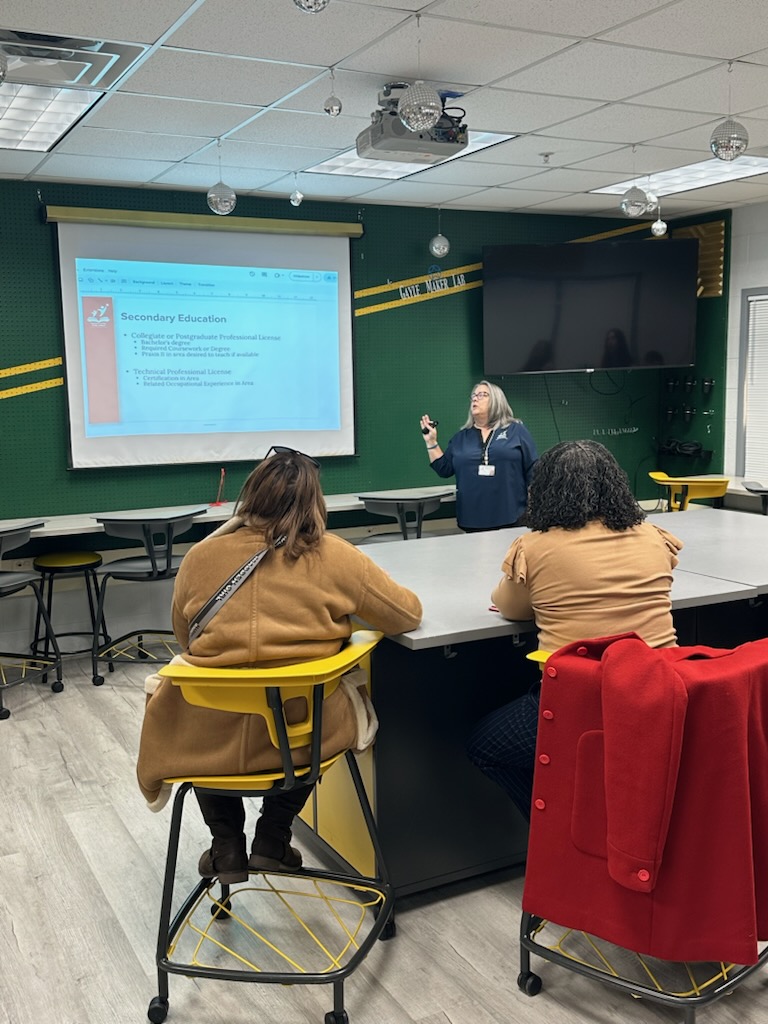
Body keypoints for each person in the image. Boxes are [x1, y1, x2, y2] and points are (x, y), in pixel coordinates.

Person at [137, 446, 422, 882]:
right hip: (303, 734)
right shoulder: (336, 556)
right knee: (315, 714)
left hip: (204, 736)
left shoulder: (200, 557)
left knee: (210, 717)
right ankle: (272, 837)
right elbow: (407, 614)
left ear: (249, 497)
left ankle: (226, 846)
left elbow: (185, 637)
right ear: (315, 501)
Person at [466, 439, 682, 820]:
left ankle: (556, 830)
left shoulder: (533, 548)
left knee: (485, 746)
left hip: (581, 704)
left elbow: (511, 607)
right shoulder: (653, 538)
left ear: (544, 489)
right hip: (660, 697)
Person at [420, 381, 538, 532]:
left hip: (512, 517)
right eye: (473, 396)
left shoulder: (516, 431)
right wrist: (431, 441)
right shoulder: (461, 438)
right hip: (472, 520)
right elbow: (444, 469)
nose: (475, 399)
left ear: (497, 400)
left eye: (482, 395)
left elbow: (533, 470)